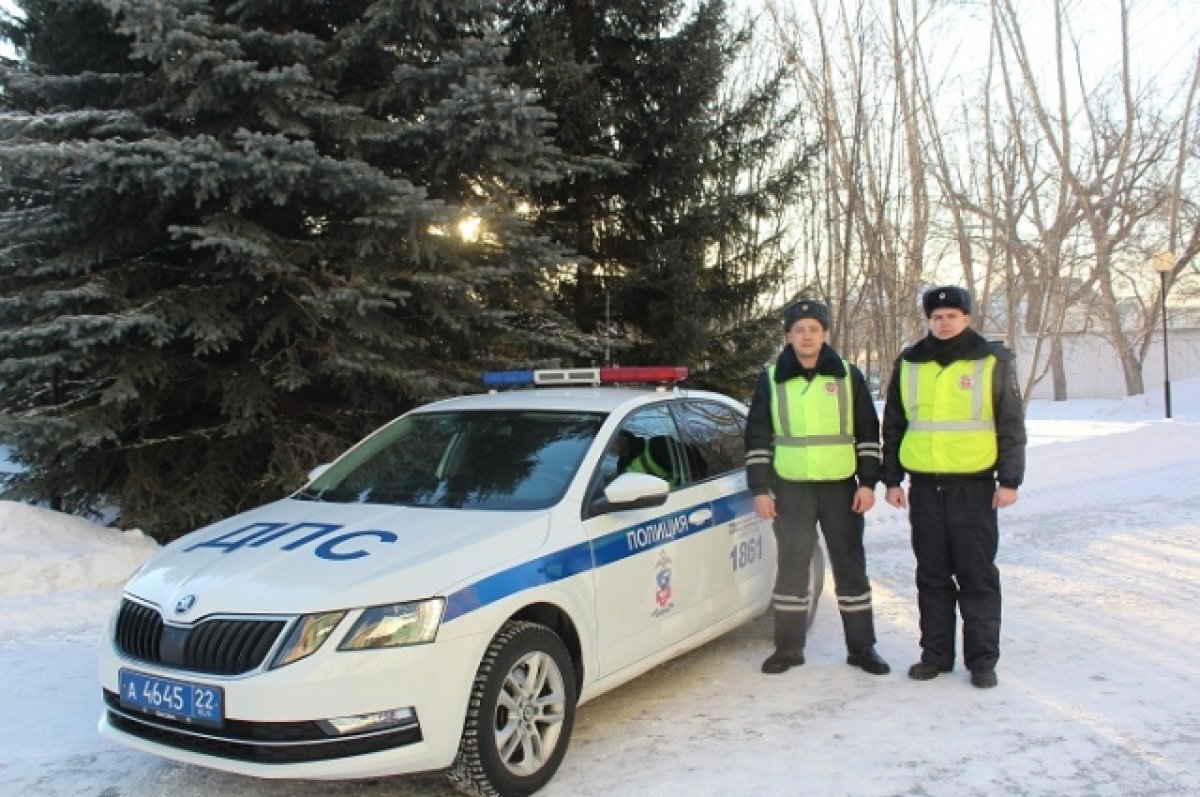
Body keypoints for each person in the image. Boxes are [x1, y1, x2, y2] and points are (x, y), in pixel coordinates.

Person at [881, 286, 1027, 689]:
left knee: (977, 578)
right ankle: (936, 655)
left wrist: (1009, 480)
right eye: (936, 317)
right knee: (932, 577)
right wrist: (892, 479)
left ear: (967, 318)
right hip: (925, 488)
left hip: (973, 488)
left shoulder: (991, 361)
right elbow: (893, 425)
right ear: (928, 321)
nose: (943, 323)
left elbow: (1011, 425)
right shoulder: (910, 363)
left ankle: (981, 661)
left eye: (951, 316)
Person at [745, 300, 889, 675]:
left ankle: (862, 649)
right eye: (799, 330)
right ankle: (788, 649)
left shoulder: (848, 376)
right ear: (788, 336)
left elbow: (867, 432)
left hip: (840, 487)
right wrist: (760, 488)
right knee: (792, 566)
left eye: (813, 329)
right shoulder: (771, 378)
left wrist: (868, 482)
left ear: (825, 334)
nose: (806, 336)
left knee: (850, 566)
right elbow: (757, 436)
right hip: (790, 487)